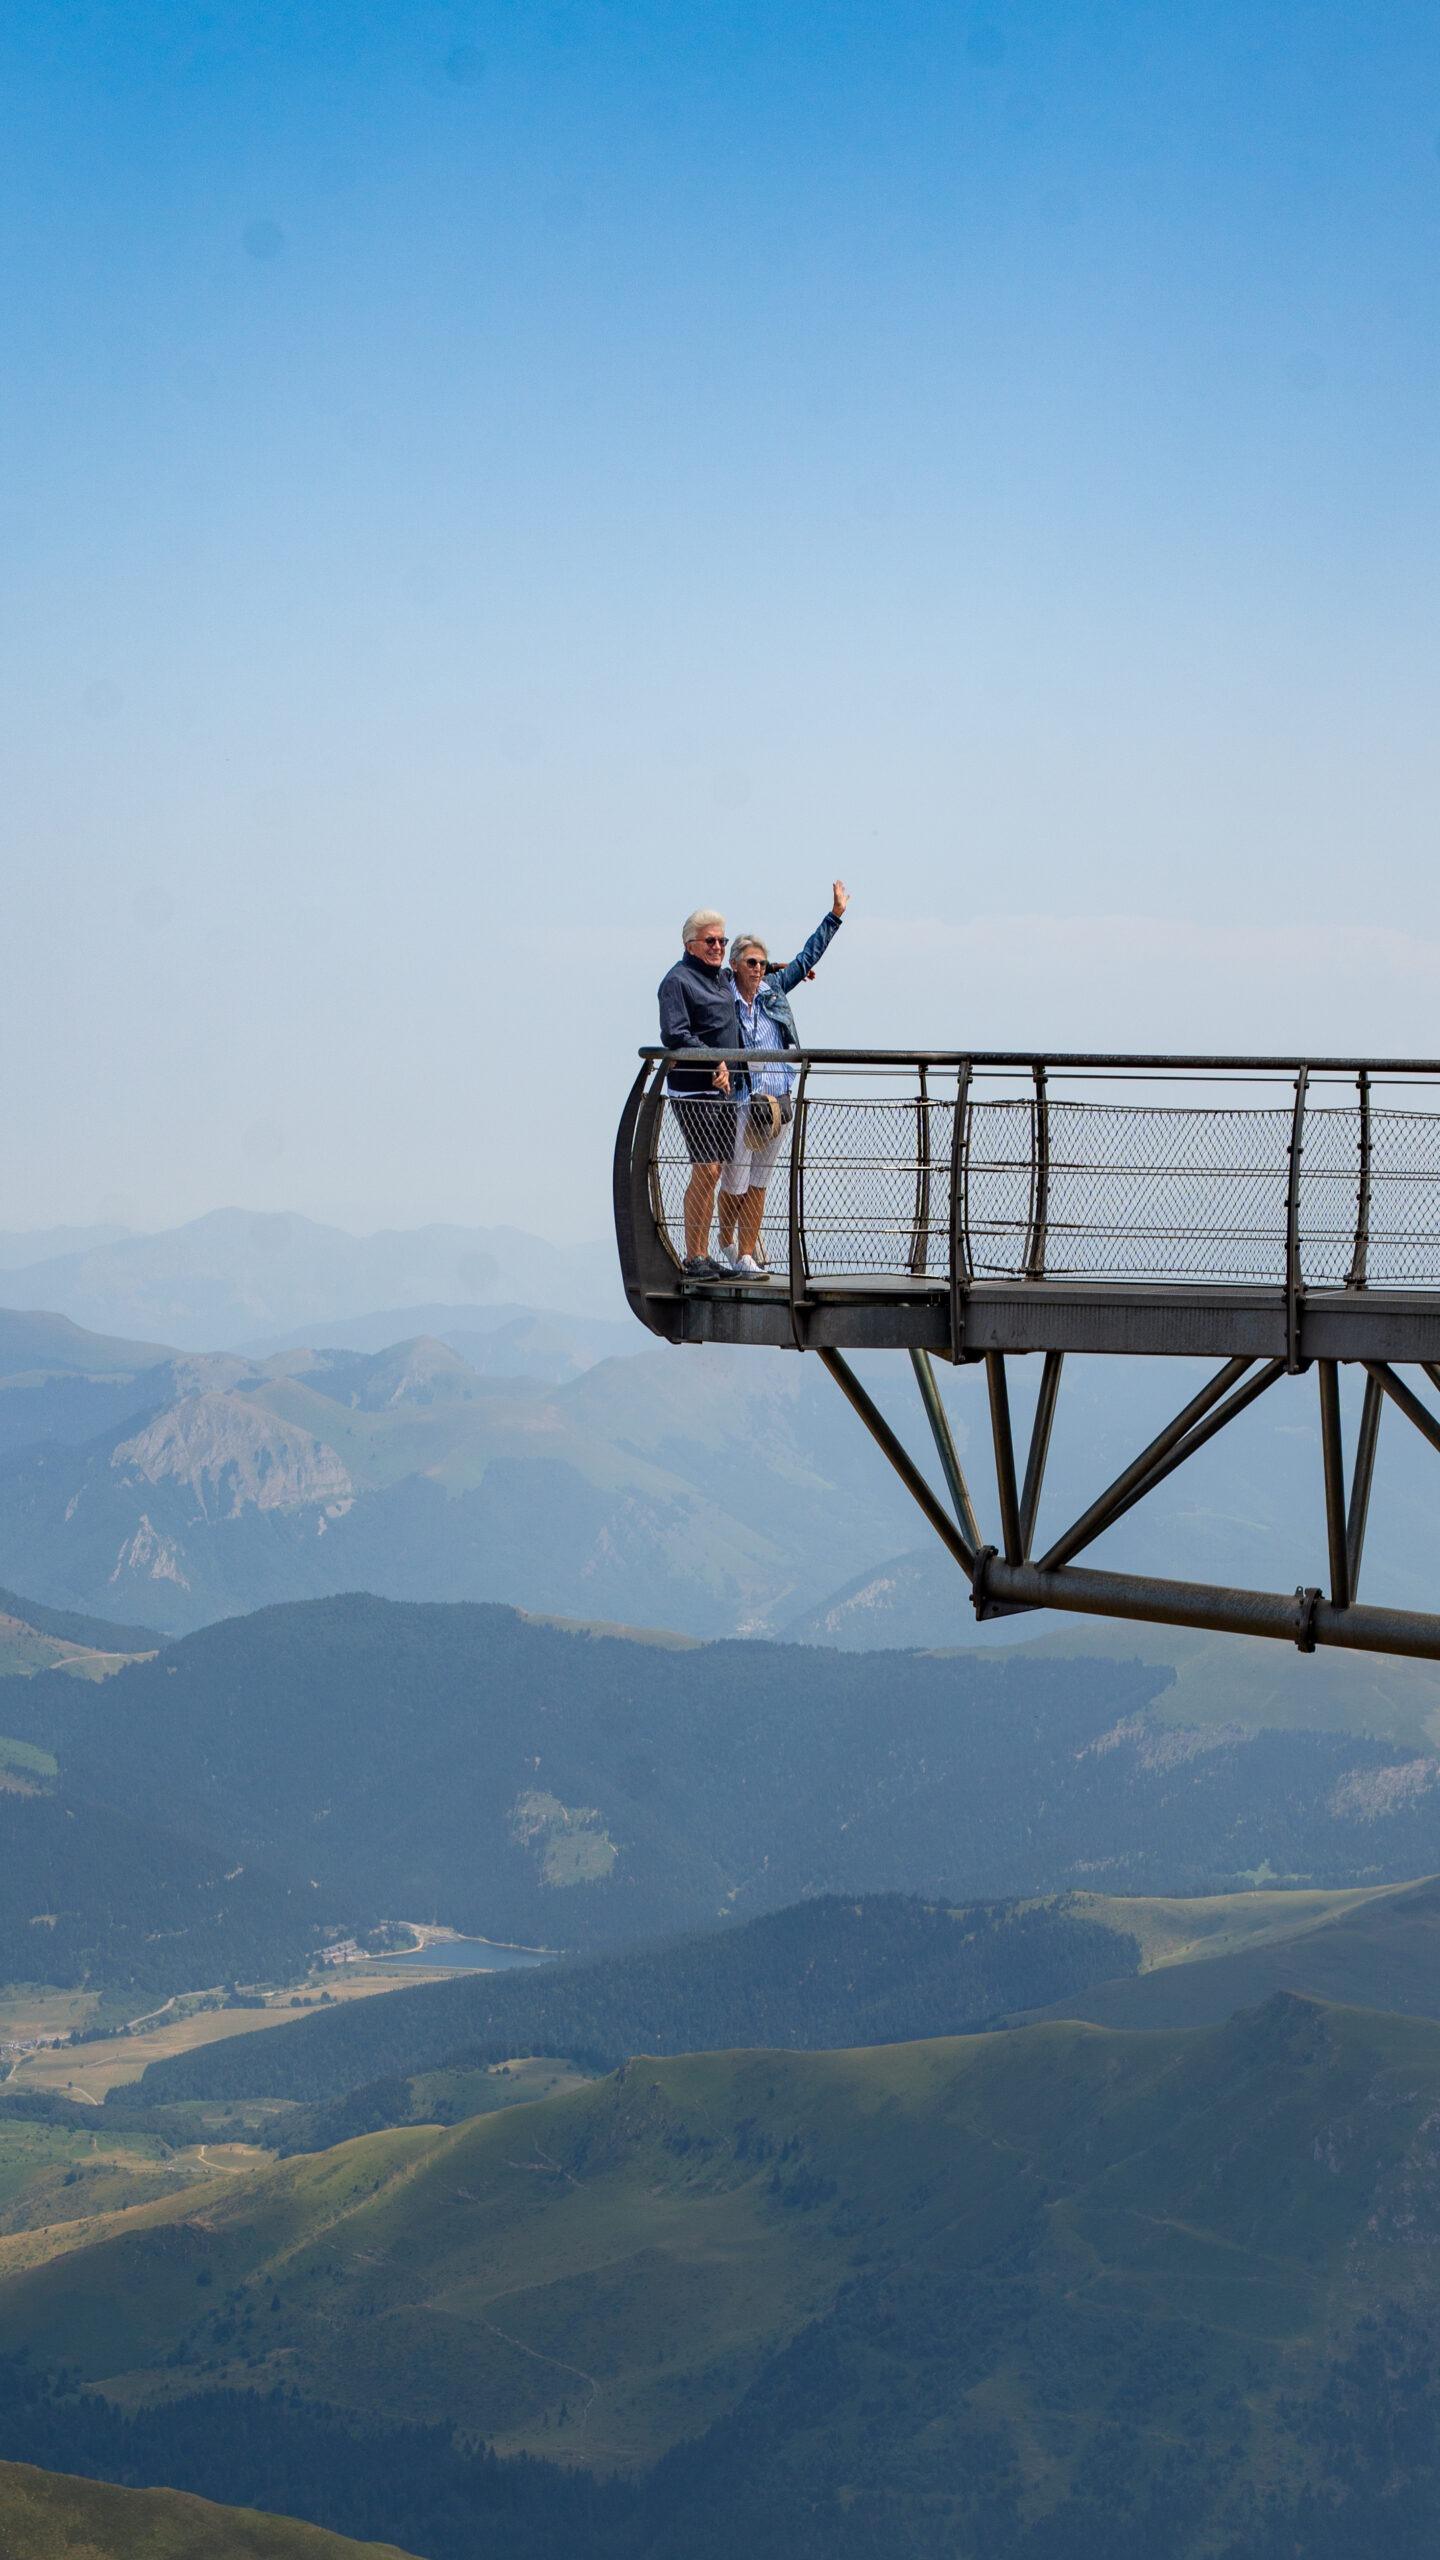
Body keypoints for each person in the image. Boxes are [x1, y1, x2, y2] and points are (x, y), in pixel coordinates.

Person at [716, 882, 849, 1277]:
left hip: (779, 1100)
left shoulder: (774, 990)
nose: (758, 969)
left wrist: (835, 915)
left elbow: (807, 954)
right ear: (736, 965)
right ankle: (726, 1241)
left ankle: (746, 1254)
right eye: (751, 963)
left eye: (762, 963)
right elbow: (711, 978)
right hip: (744, 1099)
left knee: (759, 1182)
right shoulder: (724, 996)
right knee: (735, 1181)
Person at [657, 908, 744, 1277]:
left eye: (722, 940)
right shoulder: (677, 982)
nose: (718, 947)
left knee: (714, 1171)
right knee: (705, 1170)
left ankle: (702, 1254)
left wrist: (788, 967)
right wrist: (714, 1064)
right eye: (710, 941)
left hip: (724, 1092)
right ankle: (693, 1256)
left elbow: (755, 969)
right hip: (694, 1090)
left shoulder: (721, 979)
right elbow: (676, 1033)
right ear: (690, 944)